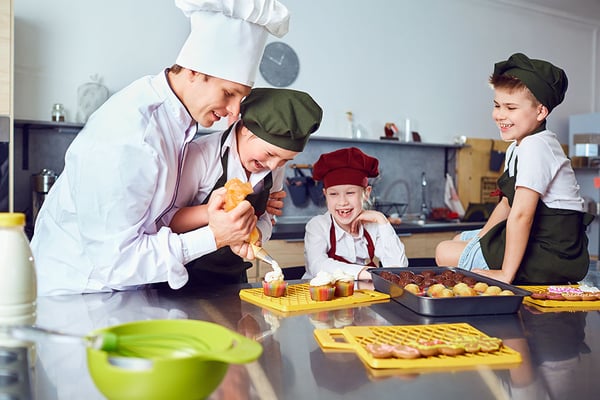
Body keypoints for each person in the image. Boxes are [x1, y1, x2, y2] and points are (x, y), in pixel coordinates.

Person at [30, 0, 290, 296]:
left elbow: (153, 219)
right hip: (79, 295)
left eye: (240, 99)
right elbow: (117, 262)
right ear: (193, 71)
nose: (233, 114)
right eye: (228, 93)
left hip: (121, 292)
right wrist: (214, 236)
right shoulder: (130, 135)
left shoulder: (174, 120)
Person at [435, 53, 594, 285]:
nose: (500, 115)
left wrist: (505, 274)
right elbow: (507, 204)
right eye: (497, 105)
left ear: (541, 111)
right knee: (460, 239)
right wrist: (481, 239)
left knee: (443, 251)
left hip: (553, 254)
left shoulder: (536, 146)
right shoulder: (517, 147)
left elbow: (522, 214)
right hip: (536, 242)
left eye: (510, 107)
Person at [167, 88, 323, 285]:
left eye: (285, 160)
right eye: (270, 154)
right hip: (183, 277)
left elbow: (267, 216)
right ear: (246, 129)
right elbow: (168, 220)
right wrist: (216, 214)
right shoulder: (201, 155)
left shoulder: (273, 166)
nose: (274, 166)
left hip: (232, 277)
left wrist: (254, 237)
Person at [303, 147, 408, 280]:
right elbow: (317, 265)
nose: (342, 202)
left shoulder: (373, 227)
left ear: (366, 193)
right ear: (325, 195)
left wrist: (381, 219)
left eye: (350, 193)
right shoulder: (318, 225)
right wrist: (369, 273)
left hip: (364, 296)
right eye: (333, 194)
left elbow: (398, 268)